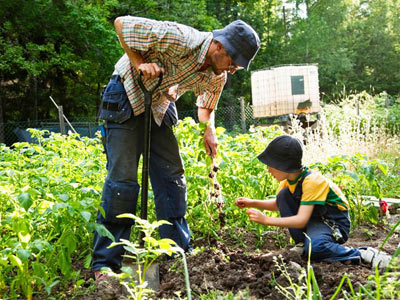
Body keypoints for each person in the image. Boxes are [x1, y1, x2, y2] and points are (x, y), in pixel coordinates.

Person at [92, 16, 260, 280]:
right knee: (122, 183)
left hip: (158, 102)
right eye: (233, 60)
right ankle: (106, 263)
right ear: (219, 46)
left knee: (172, 178)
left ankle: (177, 251)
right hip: (126, 93)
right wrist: (139, 63)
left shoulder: (217, 77)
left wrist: (209, 130)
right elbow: (121, 24)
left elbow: (206, 107)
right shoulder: (181, 38)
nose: (234, 68)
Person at [235, 135, 392, 268]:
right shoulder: (288, 181)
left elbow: (301, 219)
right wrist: (251, 202)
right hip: (314, 220)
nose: (268, 170)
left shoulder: (312, 181)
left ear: (283, 165)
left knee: (316, 249)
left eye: (271, 165)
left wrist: (267, 220)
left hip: (333, 222)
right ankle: (303, 244)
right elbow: (278, 204)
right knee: (283, 196)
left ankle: (363, 254)